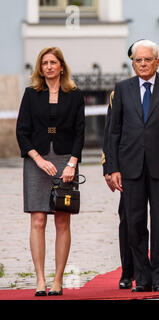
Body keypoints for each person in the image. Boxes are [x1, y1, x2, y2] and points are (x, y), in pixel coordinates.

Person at [109, 40, 159, 292]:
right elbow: (113, 132)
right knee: (133, 223)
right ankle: (141, 278)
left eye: (147, 60)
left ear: (157, 61)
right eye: (137, 60)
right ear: (132, 63)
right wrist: (112, 168)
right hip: (130, 168)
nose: (142, 64)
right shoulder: (123, 88)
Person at [16, 47, 85, 297]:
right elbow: (22, 131)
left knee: (62, 220)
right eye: (44, 63)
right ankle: (40, 280)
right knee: (38, 220)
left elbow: (80, 132)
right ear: (40, 68)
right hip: (37, 161)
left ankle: (57, 280)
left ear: (61, 66)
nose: (48, 67)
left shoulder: (75, 95)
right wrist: (37, 158)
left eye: (53, 62)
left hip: (66, 161)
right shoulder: (31, 94)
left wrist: (72, 164)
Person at [101, 91, 134, 290]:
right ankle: (128, 271)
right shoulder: (119, 93)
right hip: (128, 164)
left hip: (158, 164)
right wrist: (109, 167)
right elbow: (111, 131)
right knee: (129, 219)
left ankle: (154, 272)